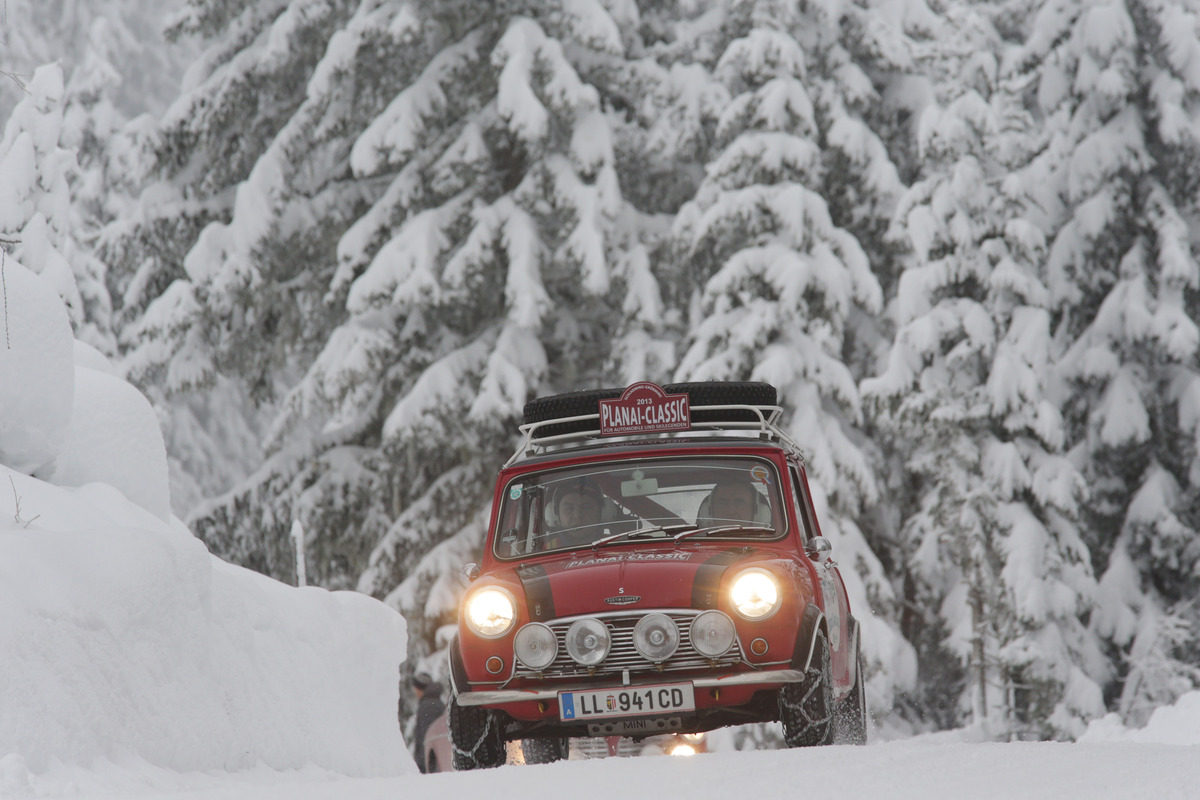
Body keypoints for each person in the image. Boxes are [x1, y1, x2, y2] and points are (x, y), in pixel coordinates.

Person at [544, 477, 604, 549]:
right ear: (556, 515)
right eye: (569, 509)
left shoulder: (614, 545)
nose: (577, 515)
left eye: (586, 507)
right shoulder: (545, 552)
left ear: (602, 512)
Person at [409, 671, 445, 774]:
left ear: (419, 688)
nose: (414, 691)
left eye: (415, 688)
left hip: (429, 764)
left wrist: (423, 764)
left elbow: (427, 737)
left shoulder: (428, 707)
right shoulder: (434, 702)